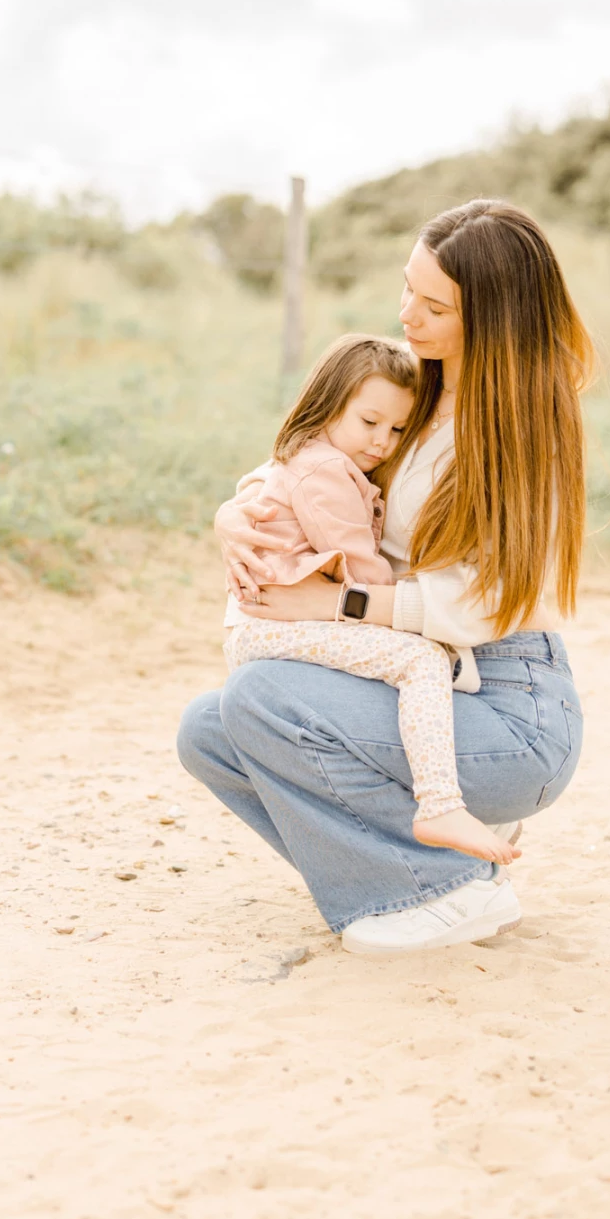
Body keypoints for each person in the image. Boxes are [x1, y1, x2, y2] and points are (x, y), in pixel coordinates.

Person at [177, 198, 590, 957]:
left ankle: (433, 890)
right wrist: (232, 513)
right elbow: (312, 466)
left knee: (264, 697)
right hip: (420, 682)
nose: (408, 314)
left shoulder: (519, 430)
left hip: (505, 703)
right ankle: (438, 872)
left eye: (435, 306)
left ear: (493, 322)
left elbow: (480, 606)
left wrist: (336, 601)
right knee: (210, 730)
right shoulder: (414, 393)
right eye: (408, 288)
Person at [223, 332, 519, 866]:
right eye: (369, 422)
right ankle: (440, 804)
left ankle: (447, 809)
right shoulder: (326, 471)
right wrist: (407, 609)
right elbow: (357, 561)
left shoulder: (319, 460)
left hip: (270, 622)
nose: (383, 441)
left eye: (398, 429)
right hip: (273, 623)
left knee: (403, 665)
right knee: (420, 658)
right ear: (328, 403)